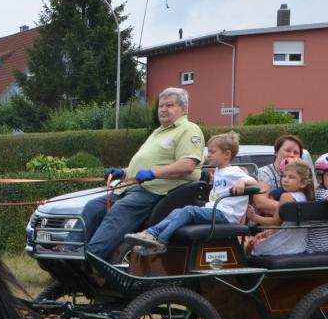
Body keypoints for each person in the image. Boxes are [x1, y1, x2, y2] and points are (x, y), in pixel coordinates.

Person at [74, 87, 204, 260]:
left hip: (156, 191)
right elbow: (144, 164)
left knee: (120, 210)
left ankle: (92, 256)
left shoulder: (189, 129)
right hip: (130, 188)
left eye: (169, 105)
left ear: (184, 108)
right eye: (161, 105)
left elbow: (187, 165)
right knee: (93, 207)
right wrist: (122, 172)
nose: (163, 109)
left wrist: (153, 173)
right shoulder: (158, 132)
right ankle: (70, 250)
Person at [125, 131, 256, 254]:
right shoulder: (219, 170)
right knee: (177, 211)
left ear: (226, 154)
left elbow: (255, 183)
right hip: (215, 210)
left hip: (226, 214)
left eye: (212, 152)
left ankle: (160, 240)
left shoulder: (234, 171)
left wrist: (242, 182)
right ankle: (150, 233)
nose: (208, 155)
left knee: (188, 211)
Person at [245, 160, 314, 256]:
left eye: (291, 177)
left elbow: (275, 223)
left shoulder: (286, 197)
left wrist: (253, 217)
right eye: (284, 176)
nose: (285, 180)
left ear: (303, 183)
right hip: (299, 246)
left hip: (281, 247)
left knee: (245, 246)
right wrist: (265, 233)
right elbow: (285, 225)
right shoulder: (306, 197)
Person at [253, 134, 305, 216]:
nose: (292, 155)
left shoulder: (303, 174)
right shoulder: (265, 172)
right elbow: (261, 203)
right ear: (276, 152)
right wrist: (297, 209)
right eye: (287, 150)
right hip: (264, 222)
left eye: (296, 152)